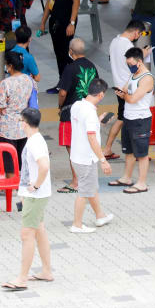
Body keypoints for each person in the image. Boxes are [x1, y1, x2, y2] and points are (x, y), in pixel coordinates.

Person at [1, 108, 53, 291]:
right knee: (39, 230)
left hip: (35, 195)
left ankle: (22, 278)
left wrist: (36, 185)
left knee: (27, 234)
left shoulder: (34, 143)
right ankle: (46, 271)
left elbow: (44, 166)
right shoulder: (36, 140)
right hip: (36, 194)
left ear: (24, 122)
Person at [68, 79, 113, 233]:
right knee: (84, 191)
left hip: (76, 155)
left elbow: (83, 126)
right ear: (100, 94)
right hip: (86, 158)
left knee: (90, 187)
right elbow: (91, 137)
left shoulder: (77, 106)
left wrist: (97, 121)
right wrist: (103, 160)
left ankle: (100, 215)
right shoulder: (90, 113)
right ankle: (77, 224)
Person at [109, 47, 153, 195]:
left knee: (141, 153)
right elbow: (126, 90)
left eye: (131, 64)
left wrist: (124, 96)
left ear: (139, 62)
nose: (130, 66)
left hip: (140, 119)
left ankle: (142, 183)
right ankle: (126, 178)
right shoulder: (133, 74)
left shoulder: (146, 78)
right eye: (128, 64)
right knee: (129, 151)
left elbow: (133, 99)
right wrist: (122, 92)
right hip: (128, 117)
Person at [56, 37, 98, 193]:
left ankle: (75, 182)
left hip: (70, 113)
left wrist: (60, 106)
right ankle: (86, 179)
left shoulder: (70, 68)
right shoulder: (92, 67)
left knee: (72, 148)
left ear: (71, 52)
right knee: (85, 146)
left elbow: (62, 92)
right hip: (88, 112)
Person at [102, 20, 145, 159]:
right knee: (132, 120)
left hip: (118, 85)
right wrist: (143, 53)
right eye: (138, 34)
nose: (137, 37)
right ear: (136, 32)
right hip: (129, 87)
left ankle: (107, 149)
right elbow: (134, 66)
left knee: (122, 118)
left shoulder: (115, 41)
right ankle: (137, 153)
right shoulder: (127, 45)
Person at [0, 51, 34, 178]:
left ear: (10, 66)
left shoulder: (5, 84)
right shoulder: (29, 80)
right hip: (23, 125)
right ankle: (20, 184)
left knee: (9, 159)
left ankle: (11, 187)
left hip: (7, 128)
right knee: (21, 157)